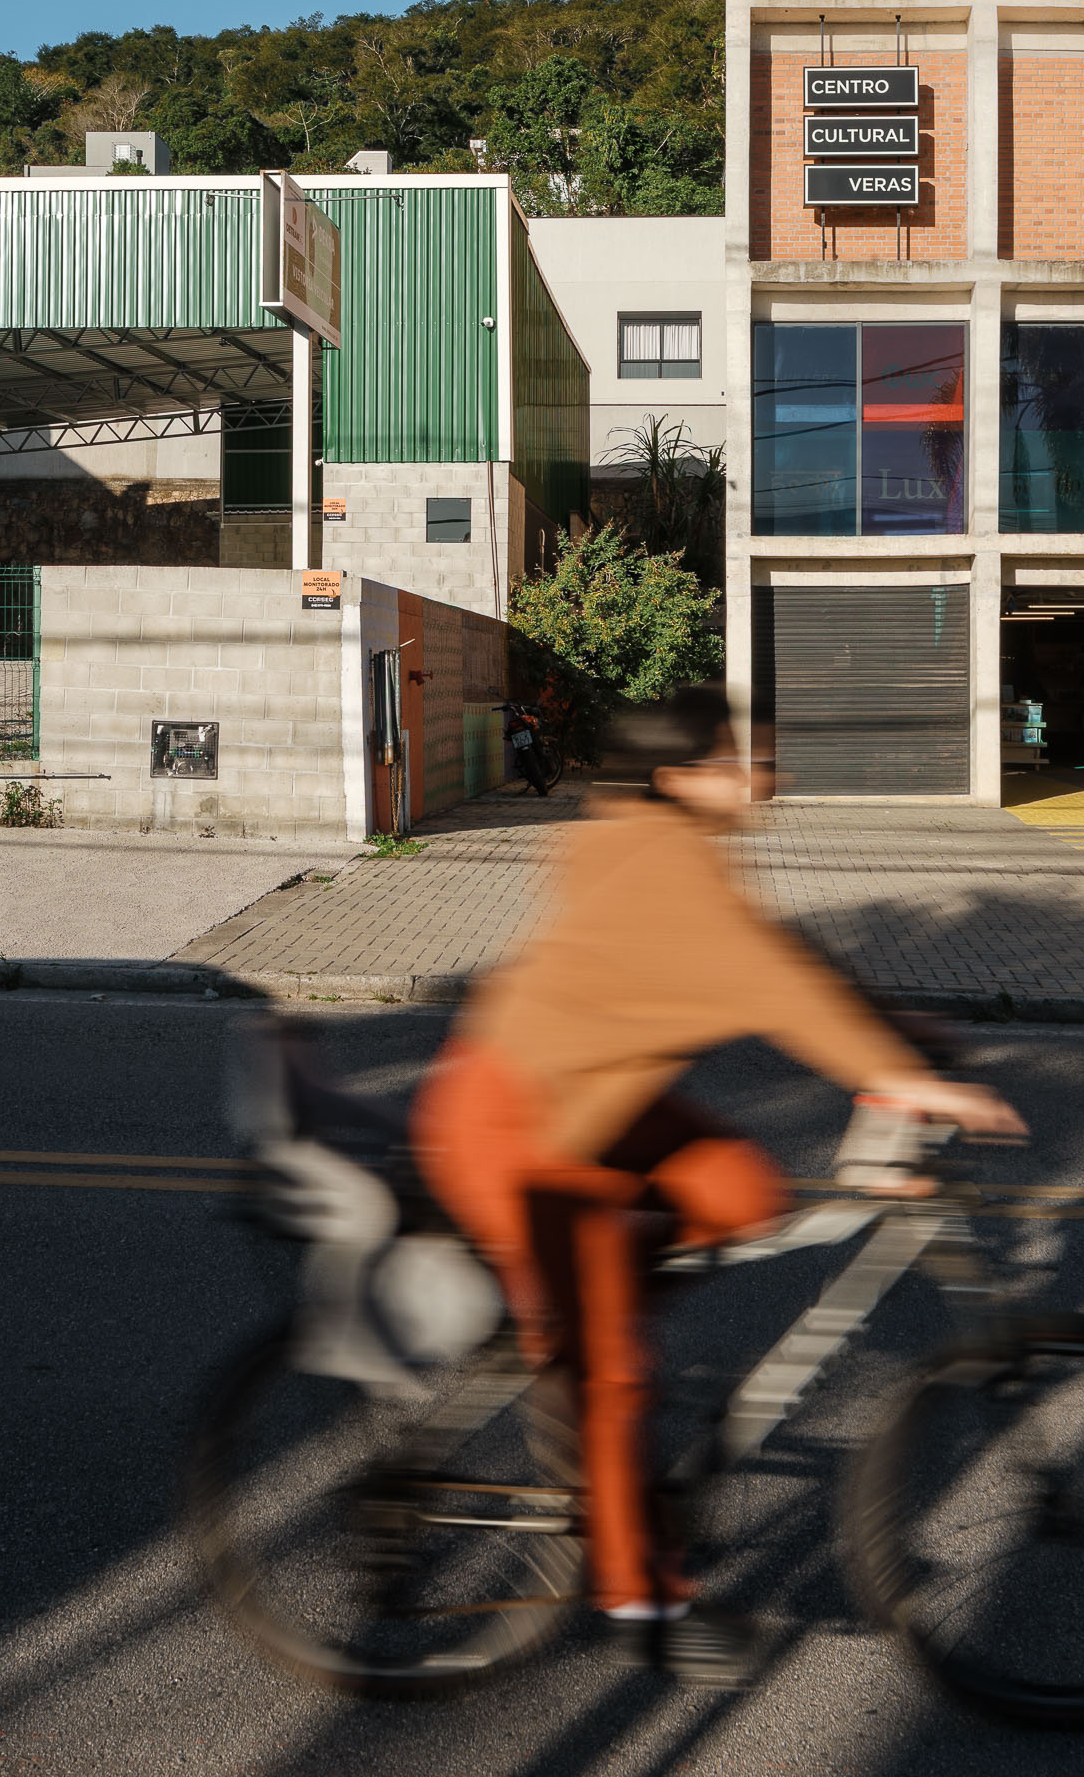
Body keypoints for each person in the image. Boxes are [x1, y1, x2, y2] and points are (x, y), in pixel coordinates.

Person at [412, 685, 1022, 1684]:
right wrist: (900, 1074)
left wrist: (899, 1032)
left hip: (590, 1103)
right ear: (677, 778)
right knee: (615, 1370)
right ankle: (637, 1594)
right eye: (740, 757)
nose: (762, 775)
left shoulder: (668, 848)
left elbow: (780, 955)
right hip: (513, 1130)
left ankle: (574, 1325)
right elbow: (770, 983)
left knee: (742, 1189)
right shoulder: (662, 869)